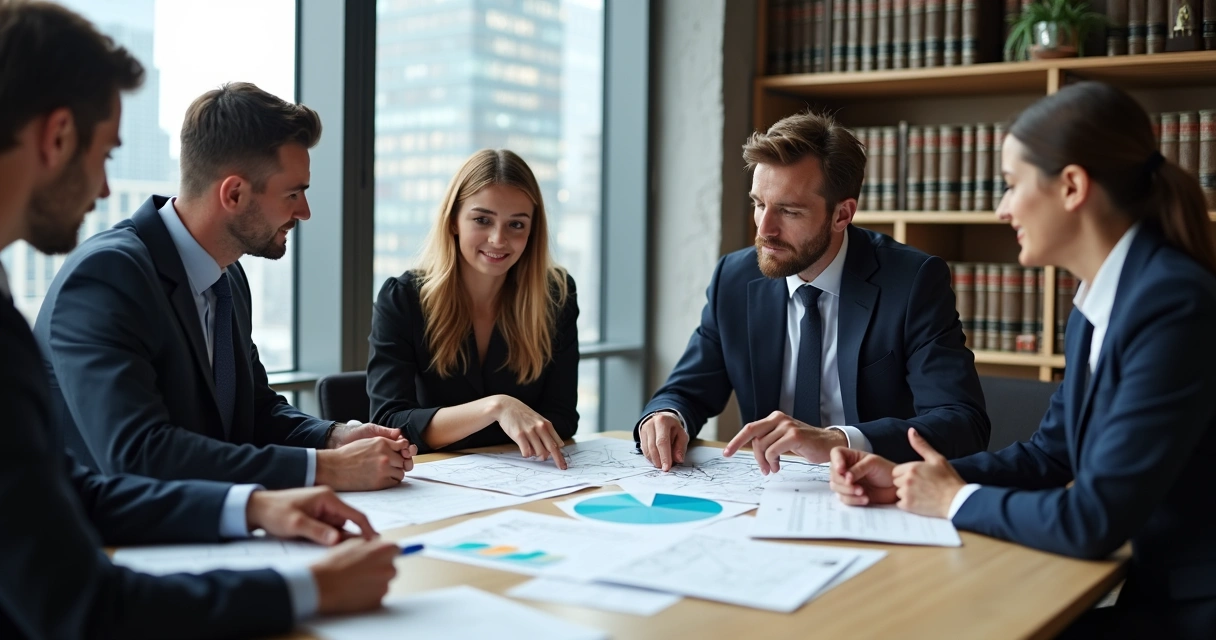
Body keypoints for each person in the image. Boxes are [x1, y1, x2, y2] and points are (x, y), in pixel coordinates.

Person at [0, 2, 398, 637]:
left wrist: (297, 469)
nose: (106, 190)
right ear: (55, 137)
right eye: (105, 153)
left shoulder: (227, 277)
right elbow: (127, 468)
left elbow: (66, 487)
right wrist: (304, 577)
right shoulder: (107, 276)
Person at [828, 82, 1216, 639]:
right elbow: (1051, 454)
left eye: (1011, 185)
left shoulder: (1173, 306)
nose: (1002, 208)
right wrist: (912, 479)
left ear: (1072, 186)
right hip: (1155, 593)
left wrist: (955, 499)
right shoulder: (1097, 304)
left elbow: (1092, 521)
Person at [34, 81, 417, 490]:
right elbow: (138, 454)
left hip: (198, 524)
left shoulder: (227, 277)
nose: (304, 212)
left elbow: (254, 409)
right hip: (104, 539)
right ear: (233, 193)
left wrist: (333, 437)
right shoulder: (108, 277)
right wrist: (326, 469)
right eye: (293, 194)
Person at [638, 110, 989, 471]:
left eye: (789, 211)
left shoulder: (912, 282)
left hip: (876, 492)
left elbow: (962, 423)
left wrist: (840, 440)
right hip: (765, 491)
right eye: (759, 204)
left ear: (842, 215)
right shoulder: (735, 278)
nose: (765, 230)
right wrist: (667, 415)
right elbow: (687, 389)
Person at [367, 149, 578, 467]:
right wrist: (496, 408)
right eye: (482, 220)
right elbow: (390, 424)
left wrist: (435, 429)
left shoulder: (556, 295)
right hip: (435, 483)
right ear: (453, 221)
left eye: (516, 225)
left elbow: (561, 419)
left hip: (528, 476)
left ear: (532, 231)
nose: (498, 239)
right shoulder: (403, 298)